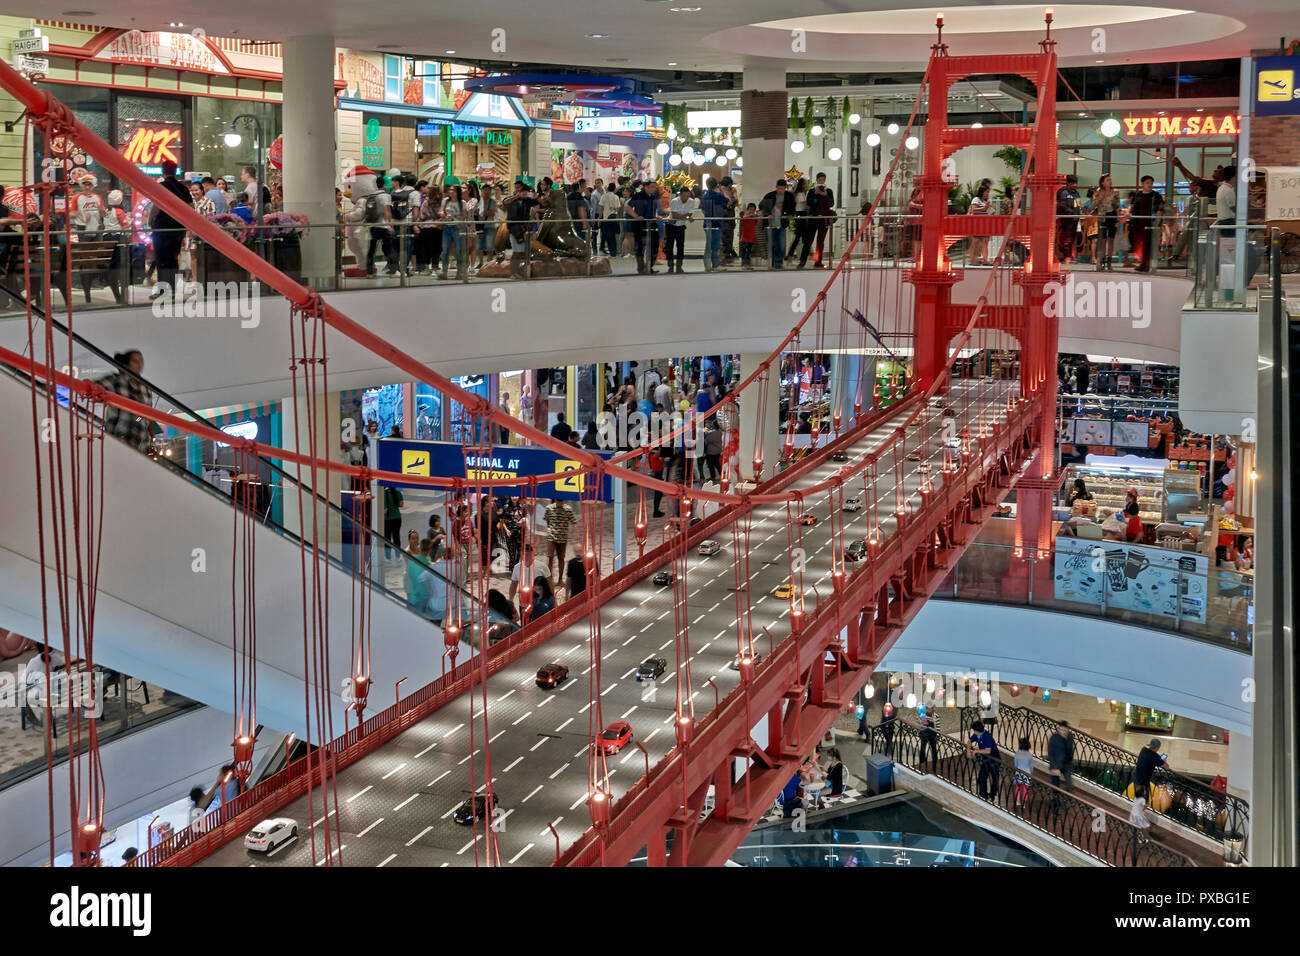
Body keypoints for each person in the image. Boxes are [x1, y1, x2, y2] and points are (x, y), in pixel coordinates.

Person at [149, 161, 194, 300]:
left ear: (163, 171)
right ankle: (173, 289)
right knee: (173, 259)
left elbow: (156, 207)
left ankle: (163, 292)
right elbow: (191, 208)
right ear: (176, 171)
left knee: (162, 260)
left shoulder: (161, 187)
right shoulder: (183, 188)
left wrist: (151, 222)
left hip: (162, 229)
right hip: (178, 229)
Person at [97, 350, 154, 452]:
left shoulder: (145, 387)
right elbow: (93, 388)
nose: (139, 364)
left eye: (141, 361)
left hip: (141, 445)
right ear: (126, 363)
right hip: (118, 442)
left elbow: (149, 416)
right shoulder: (116, 381)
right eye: (135, 361)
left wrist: (152, 440)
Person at [800, 172, 835, 268]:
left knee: (820, 241)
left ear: (825, 180)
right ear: (816, 180)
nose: (821, 182)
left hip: (824, 219)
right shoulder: (811, 191)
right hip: (814, 218)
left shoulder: (829, 191)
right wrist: (815, 193)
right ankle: (802, 261)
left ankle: (818, 262)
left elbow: (831, 204)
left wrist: (824, 195)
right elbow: (809, 203)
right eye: (819, 180)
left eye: (823, 180)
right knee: (808, 240)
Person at [625, 180, 661, 275]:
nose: (654, 188)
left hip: (651, 223)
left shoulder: (653, 197)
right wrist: (636, 216)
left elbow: (654, 209)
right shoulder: (638, 196)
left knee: (654, 245)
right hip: (640, 224)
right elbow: (628, 208)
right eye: (652, 186)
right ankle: (641, 268)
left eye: (655, 187)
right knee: (640, 246)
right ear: (646, 187)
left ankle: (649, 266)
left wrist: (656, 215)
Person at [1129, 175, 1164, 273]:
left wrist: (1157, 222)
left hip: (1150, 223)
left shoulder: (1156, 196)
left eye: (1151, 183)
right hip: (1137, 223)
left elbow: (1160, 209)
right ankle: (1143, 263)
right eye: (1147, 183)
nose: (1150, 185)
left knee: (1147, 245)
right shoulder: (1137, 195)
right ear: (1142, 184)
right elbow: (1131, 207)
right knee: (1138, 244)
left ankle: (1147, 264)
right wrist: (1129, 213)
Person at [759, 179, 795, 269]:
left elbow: (793, 207)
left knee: (781, 244)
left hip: (781, 224)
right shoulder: (769, 195)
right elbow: (762, 206)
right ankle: (773, 262)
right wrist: (768, 214)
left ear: (785, 188)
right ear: (776, 187)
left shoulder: (789, 196)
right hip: (770, 225)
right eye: (779, 189)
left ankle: (778, 262)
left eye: (782, 189)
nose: (780, 191)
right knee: (771, 244)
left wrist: (791, 214)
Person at [698, 177, 729, 272]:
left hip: (707, 223)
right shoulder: (718, 196)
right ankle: (715, 265)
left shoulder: (704, 196)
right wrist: (722, 191)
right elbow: (728, 202)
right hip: (717, 223)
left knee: (708, 245)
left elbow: (702, 209)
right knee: (715, 246)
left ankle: (707, 264)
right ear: (716, 185)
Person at [542, 498, 576, 581]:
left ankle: (560, 579)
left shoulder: (568, 509)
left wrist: (576, 536)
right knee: (550, 557)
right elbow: (546, 520)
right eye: (558, 501)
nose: (559, 503)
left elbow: (573, 522)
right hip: (551, 537)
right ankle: (549, 579)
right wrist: (549, 529)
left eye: (561, 501)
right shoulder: (549, 508)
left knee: (561, 558)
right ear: (555, 500)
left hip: (563, 538)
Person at [1092, 174, 1120, 271]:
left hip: (1112, 216)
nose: (1110, 181)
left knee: (1111, 240)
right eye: (1108, 180)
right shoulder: (1097, 192)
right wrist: (1100, 197)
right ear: (1102, 183)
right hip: (1102, 218)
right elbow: (1093, 205)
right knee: (1102, 241)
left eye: (1110, 180)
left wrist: (1118, 219)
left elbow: (1117, 206)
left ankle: (1109, 261)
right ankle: (1101, 260)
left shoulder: (1115, 192)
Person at [968, 719, 1000, 800]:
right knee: (982, 777)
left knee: (995, 777)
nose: (973, 732)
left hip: (994, 760)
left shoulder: (987, 737)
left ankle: (992, 794)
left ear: (976, 730)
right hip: (986, 759)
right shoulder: (977, 735)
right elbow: (969, 741)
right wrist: (968, 750)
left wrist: (975, 751)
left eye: (973, 730)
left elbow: (988, 750)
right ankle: (983, 795)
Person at [1047, 719, 1075, 812]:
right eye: (1060, 729)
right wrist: (1054, 767)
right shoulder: (1054, 738)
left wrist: (1066, 738)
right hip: (1056, 765)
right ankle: (1056, 804)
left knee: (1069, 784)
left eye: (1064, 730)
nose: (1062, 732)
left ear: (1067, 730)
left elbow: (1070, 752)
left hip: (1066, 765)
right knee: (1055, 785)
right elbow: (1051, 754)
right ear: (1058, 729)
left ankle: (1066, 801)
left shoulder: (1069, 737)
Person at [665, 185, 694, 274]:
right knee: (669, 246)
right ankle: (670, 265)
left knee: (680, 246)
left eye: (688, 196)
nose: (686, 198)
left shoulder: (691, 201)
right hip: (671, 226)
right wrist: (686, 217)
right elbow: (674, 215)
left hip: (681, 226)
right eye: (684, 196)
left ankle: (679, 265)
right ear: (680, 195)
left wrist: (685, 217)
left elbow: (690, 213)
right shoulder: (674, 201)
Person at [1055, 173, 1081, 263]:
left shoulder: (1076, 193)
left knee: (1072, 238)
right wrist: (1072, 213)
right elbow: (1062, 206)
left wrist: (1078, 215)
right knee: (1066, 238)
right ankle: (1066, 256)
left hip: (1075, 219)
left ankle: (1070, 255)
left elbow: (1077, 205)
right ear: (1068, 183)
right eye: (1073, 183)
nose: (1075, 185)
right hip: (1067, 219)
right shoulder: (1064, 193)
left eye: (1076, 183)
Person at [967, 182, 991, 265]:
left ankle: (985, 260)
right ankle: (973, 259)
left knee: (985, 241)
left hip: (985, 224)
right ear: (982, 192)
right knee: (976, 241)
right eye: (987, 192)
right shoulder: (976, 199)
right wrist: (984, 208)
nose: (988, 194)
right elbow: (974, 210)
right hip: (977, 224)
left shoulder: (985, 201)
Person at [381, 484, 403, 558]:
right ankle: (398, 555)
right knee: (396, 537)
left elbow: (385, 510)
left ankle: (388, 556)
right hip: (397, 518)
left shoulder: (384, 493)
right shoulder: (397, 492)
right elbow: (401, 504)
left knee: (387, 538)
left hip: (388, 519)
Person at [1014, 736, 1033, 810]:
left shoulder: (1017, 754)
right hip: (1027, 774)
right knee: (1025, 789)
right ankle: (1024, 803)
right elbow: (1031, 766)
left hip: (1019, 773)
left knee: (1018, 788)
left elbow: (1015, 765)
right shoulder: (1029, 755)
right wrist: (1031, 774)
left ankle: (1018, 801)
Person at [918, 709, 940, 774]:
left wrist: (937, 736)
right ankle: (922, 766)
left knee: (934, 750)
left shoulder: (936, 716)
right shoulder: (922, 715)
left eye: (931, 708)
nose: (929, 710)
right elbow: (920, 725)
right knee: (923, 749)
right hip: (924, 734)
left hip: (933, 735)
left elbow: (938, 727)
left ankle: (934, 767)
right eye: (928, 708)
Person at [738, 202, 758, 270]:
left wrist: (754, 215)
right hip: (745, 238)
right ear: (748, 209)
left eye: (753, 210)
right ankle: (744, 264)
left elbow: (757, 219)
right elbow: (743, 218)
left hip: (751, 238)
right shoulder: (745, 215)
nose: (751, 211)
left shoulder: (754, 217)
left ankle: (748, 264)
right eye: (750, 209)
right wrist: (750, 215)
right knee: (744, 251)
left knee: (749, 252)